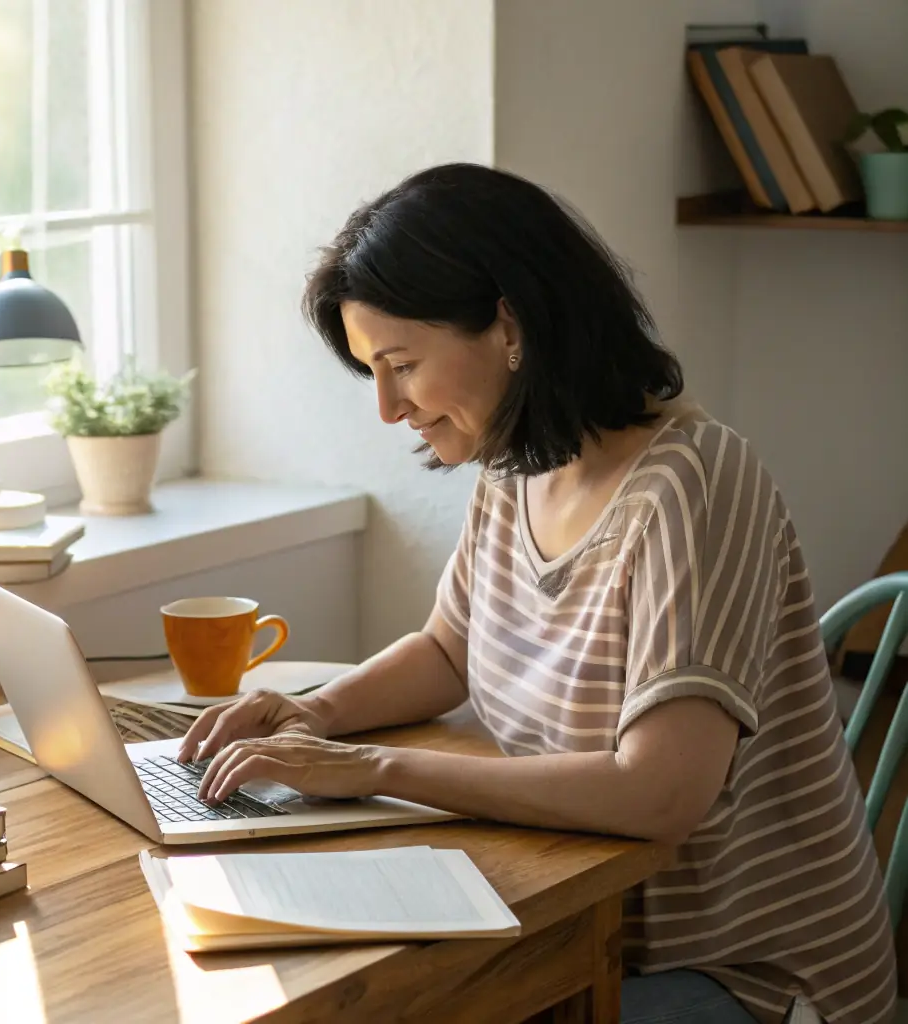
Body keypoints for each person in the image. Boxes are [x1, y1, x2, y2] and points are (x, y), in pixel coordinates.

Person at [177, 164, 896, 1024]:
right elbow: (450, 649)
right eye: (372, 371)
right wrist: (312, 716)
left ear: (508, 324)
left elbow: (660, 793)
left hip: (746, 973)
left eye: (400, 365)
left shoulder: (694, 486)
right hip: (582, 917)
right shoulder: (516, 465)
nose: (386, 407)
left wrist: (372, 767)